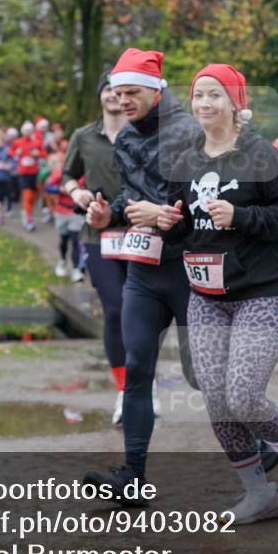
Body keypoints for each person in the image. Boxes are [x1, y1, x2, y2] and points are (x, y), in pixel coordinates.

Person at [157, 63, 278, 522]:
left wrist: (243, 217)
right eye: (199, 95)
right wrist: (171, 226)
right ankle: (258, 492)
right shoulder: (184, 157)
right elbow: (184, 223)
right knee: (216, 398)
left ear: (235, 103)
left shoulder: (259, 154)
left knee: (244, 395)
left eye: (214, 95)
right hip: (205, 295)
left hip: (260, 293)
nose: (204, 104)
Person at [83, 48, 202, 503]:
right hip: (143, 270)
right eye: (117, 92)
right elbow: (132, 197)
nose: (122, 100)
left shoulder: (191, 133)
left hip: (190, 269)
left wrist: (168, 215)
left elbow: (208, 207)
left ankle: (273, 445)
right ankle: (132, 476)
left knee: (203, 377)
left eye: (131, 92)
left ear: (156, 90)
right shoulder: (128, 138)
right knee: (137, 368)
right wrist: (105, 215)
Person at [63, 67, 131, 422]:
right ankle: (124, 390)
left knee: (140, 312)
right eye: (107, 89)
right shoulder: (84, 136)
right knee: (116, 309)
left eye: (119, 91)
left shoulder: (141, 136)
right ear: (100, 95)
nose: (113, 96)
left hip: (139, 234)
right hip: (97, 235)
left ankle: (142, 385)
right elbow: (64, 175)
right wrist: (76, 191)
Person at [47, 153, 85, 281]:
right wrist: (60, 189)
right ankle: (62, 261)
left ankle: (76, 269)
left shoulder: (86, 173)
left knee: (75, 240)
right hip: (62, 211)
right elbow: (48, 187)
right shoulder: (62, 172)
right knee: (64, 240)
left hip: (76, 212)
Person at [10, 121, 44, 230]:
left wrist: (37, 154)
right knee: (27, 195)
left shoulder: (36, 142)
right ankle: (29, 220)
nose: (28, 133)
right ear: (22, 131)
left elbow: (44, 154)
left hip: (34, 173)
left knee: (33, 197)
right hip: (23, 173)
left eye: (30, 131)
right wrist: (16, 153)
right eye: (26, 131)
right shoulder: (17, 142)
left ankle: (26, 212)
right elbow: (10, 152)